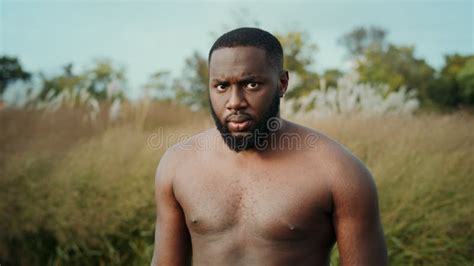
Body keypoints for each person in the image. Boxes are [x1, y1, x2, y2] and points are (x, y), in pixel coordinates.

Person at [151, 27, 388, 266]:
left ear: (282, 83)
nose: (234, 102)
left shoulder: (339, 172)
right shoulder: (178, 165)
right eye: (221, 86)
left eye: (251, 84)